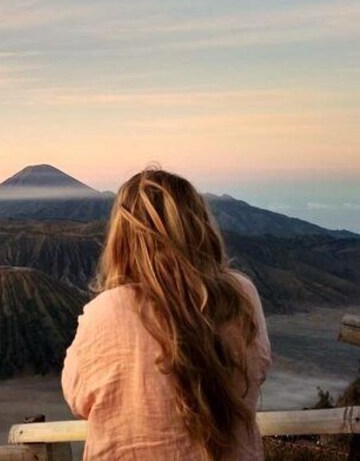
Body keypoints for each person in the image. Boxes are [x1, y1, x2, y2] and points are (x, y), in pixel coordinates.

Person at [61, 168, 271, 460]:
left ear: (122, 237)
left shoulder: (104, 312)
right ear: (199, 225)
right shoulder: (242, 297)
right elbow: (258, 368)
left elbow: (77, 398)